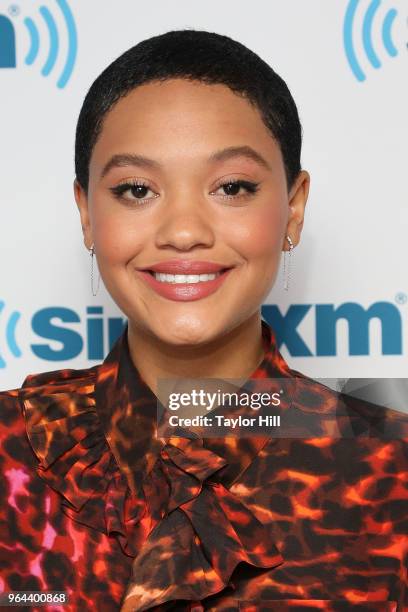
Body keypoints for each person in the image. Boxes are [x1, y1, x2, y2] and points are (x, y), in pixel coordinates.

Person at [0, 29, 407, 612]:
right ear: (87, 214)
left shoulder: (389, 472)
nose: (184, 231)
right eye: (136, 190)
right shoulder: (13, 449)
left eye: (232, 187)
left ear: (293, 208)